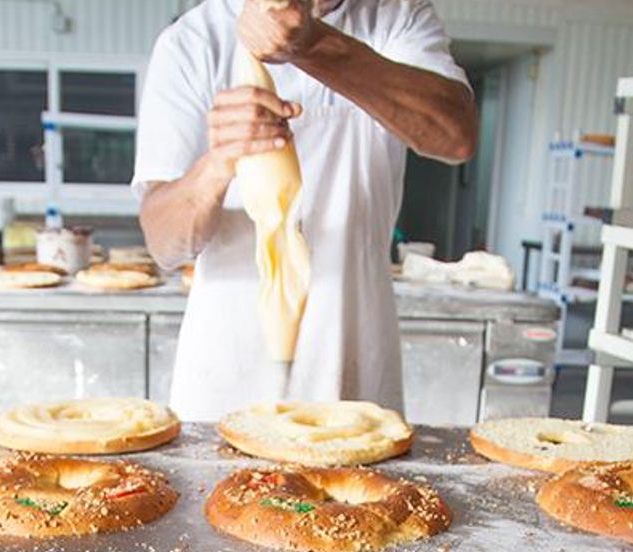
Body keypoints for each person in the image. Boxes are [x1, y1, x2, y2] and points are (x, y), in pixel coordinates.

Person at [133, 0, 478, 421]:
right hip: (225, 376)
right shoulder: (193, 42)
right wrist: (218, 162)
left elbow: (455, 136)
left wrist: (313, 45)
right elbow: (164, 241)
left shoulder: (394, 18)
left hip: (353, 357)